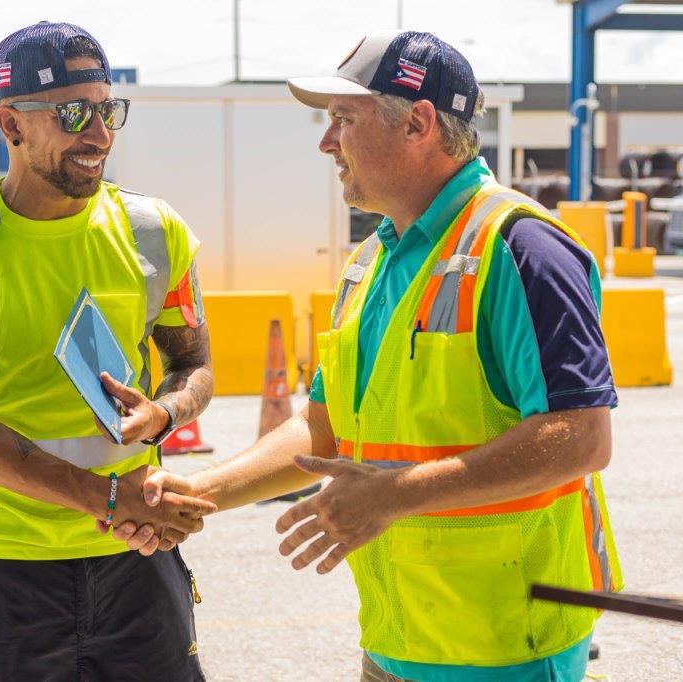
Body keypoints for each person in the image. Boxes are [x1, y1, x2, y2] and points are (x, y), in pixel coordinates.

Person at [118, 31, 623, 682]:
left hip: (508, 649)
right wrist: (199, 492)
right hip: (395, 641)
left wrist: (394, 496)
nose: (327, 143)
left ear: (418, 122)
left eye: (344, 120)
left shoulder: (523, 250)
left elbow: (579, 438)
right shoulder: (369, 264)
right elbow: (322, 426)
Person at [0, 21, 215, 681]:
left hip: (138, 556)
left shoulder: (155, 232)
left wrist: (165, 415)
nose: (99, 133)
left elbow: (195, 365)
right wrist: (103, 498)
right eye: (75, 113)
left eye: (107, 108)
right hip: (5, 569)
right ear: (11, 125)